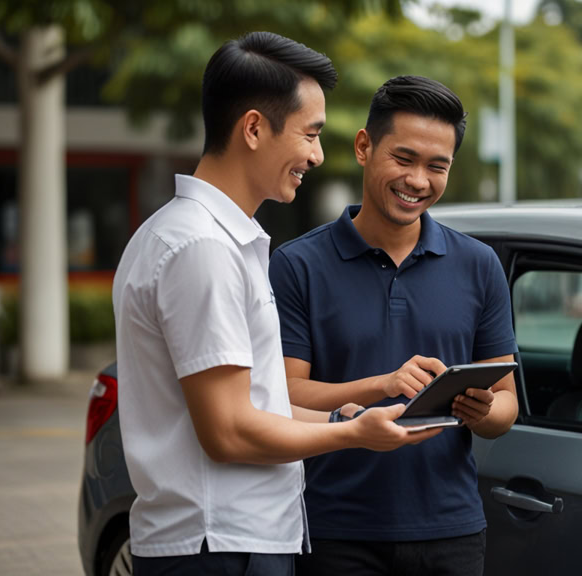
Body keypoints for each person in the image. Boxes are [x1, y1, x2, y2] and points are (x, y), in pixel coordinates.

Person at [113, 34, 440, 576]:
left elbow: (254, 403)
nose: (317, 154)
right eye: (310, 134)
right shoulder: (202, 248)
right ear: (253, 128)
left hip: (227, 543)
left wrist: (341, 414)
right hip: (218, 547)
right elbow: (229, 431)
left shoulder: (200, 237)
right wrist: (352, 434)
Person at [269, 75, 519, 576]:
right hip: (335, 530)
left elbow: (506, 405)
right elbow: (284, 396)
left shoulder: (479, 265)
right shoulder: (297, 265)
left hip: (452, 530)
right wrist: (383, 384)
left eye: (437, 166)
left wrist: (482, 409)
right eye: (404, 159)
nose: (418, 181)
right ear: (364, 146)